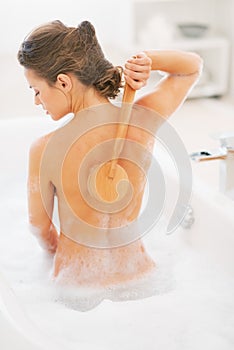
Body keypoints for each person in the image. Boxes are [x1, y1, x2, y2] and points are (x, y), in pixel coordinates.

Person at [17, 20, 202, 287]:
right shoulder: (142, 120)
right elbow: (191, 68)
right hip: (139, 277)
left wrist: (52, 253)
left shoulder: (45, 149)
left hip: (77, 287)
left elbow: (39, 227)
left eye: (37, 90)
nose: (37, 100)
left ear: (63, 82)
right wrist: (150, 59)